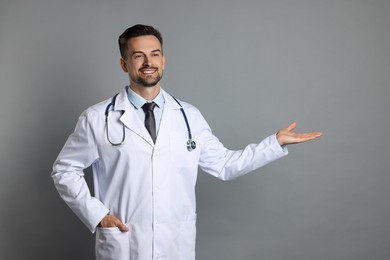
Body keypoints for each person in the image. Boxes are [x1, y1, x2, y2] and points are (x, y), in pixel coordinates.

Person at [51, 24, 322, 260]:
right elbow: (64, 170)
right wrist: (98, 215)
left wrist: (274, 143)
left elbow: (225, 165)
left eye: (155, 54)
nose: (149, 62)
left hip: (174, 247)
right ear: (124, 64)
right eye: (138, 56)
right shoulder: (98, 118)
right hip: (125, 246)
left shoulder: (188, 116)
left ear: (164, 60)